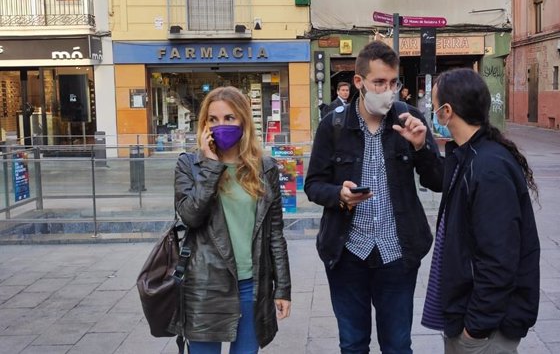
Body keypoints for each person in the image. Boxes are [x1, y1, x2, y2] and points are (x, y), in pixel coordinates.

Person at [304, 40, 444, 354]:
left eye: (393, 83)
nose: (387, 90)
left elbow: (438, 181)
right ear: (359, 82)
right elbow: (313, 184)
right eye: (379, 82)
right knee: (353, 345)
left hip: (397, 253)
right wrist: (339, 195)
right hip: (347, 253)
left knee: (397, 346)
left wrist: (422, 147)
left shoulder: (408, 119)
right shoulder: (333, 125)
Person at [421, 68, 540, 354]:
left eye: (434, 104)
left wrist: (474, 328)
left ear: (446, 111)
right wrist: (419, 147)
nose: (432, 111)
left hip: (485, 331)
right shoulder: (470, 155)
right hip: (472, 319)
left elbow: (499, 258)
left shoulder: (488, 168)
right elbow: (440, 178)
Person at [173, 86, 291, 354]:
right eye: (212, 119)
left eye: (229, 118)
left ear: (244, 121)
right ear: (203, 125)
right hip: (205, 285)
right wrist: (212, 166)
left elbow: (275, 233)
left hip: (252, 285)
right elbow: (191, 216)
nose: (220, 126)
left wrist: (282, 287)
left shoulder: (265, 168)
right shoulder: (189, 166)